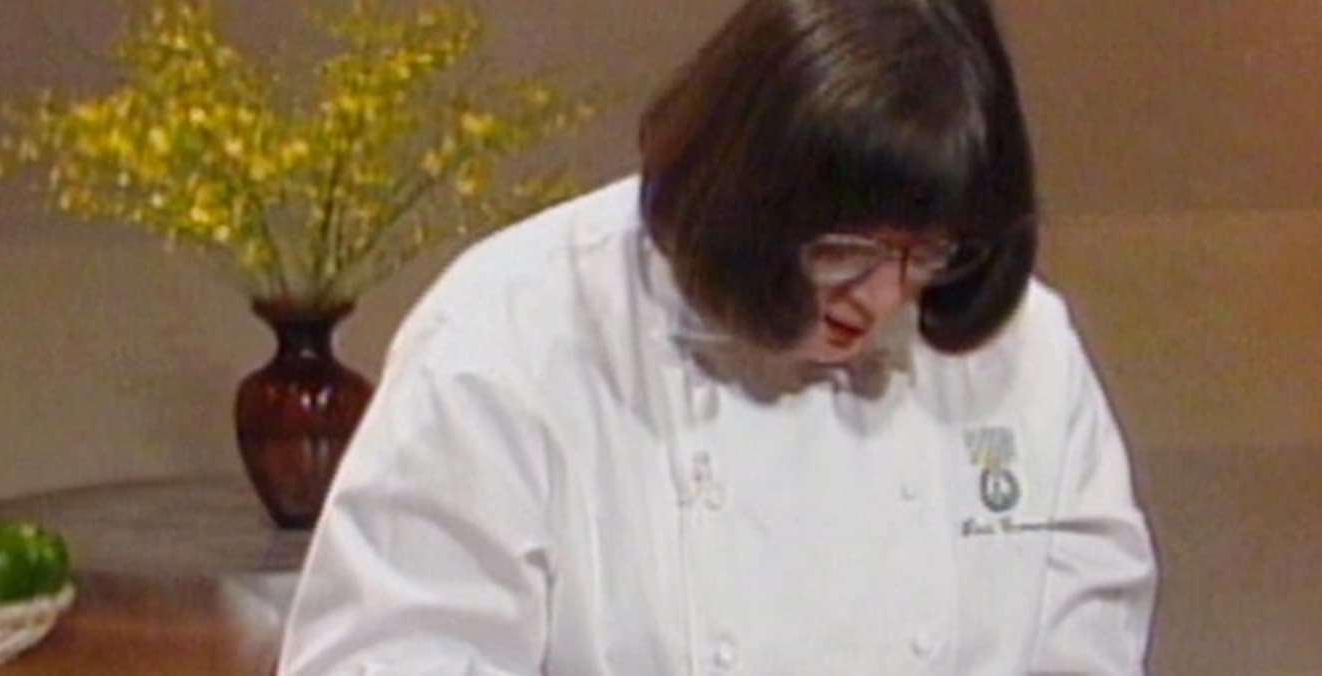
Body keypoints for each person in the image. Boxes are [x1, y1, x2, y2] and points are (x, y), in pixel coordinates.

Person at [277, 0, 1157, 673]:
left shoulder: (1027, 355)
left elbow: (1086, 640)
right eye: (844, 248)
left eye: (926, 251)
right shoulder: (511, 335)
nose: (885, 297)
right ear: (745, 196)